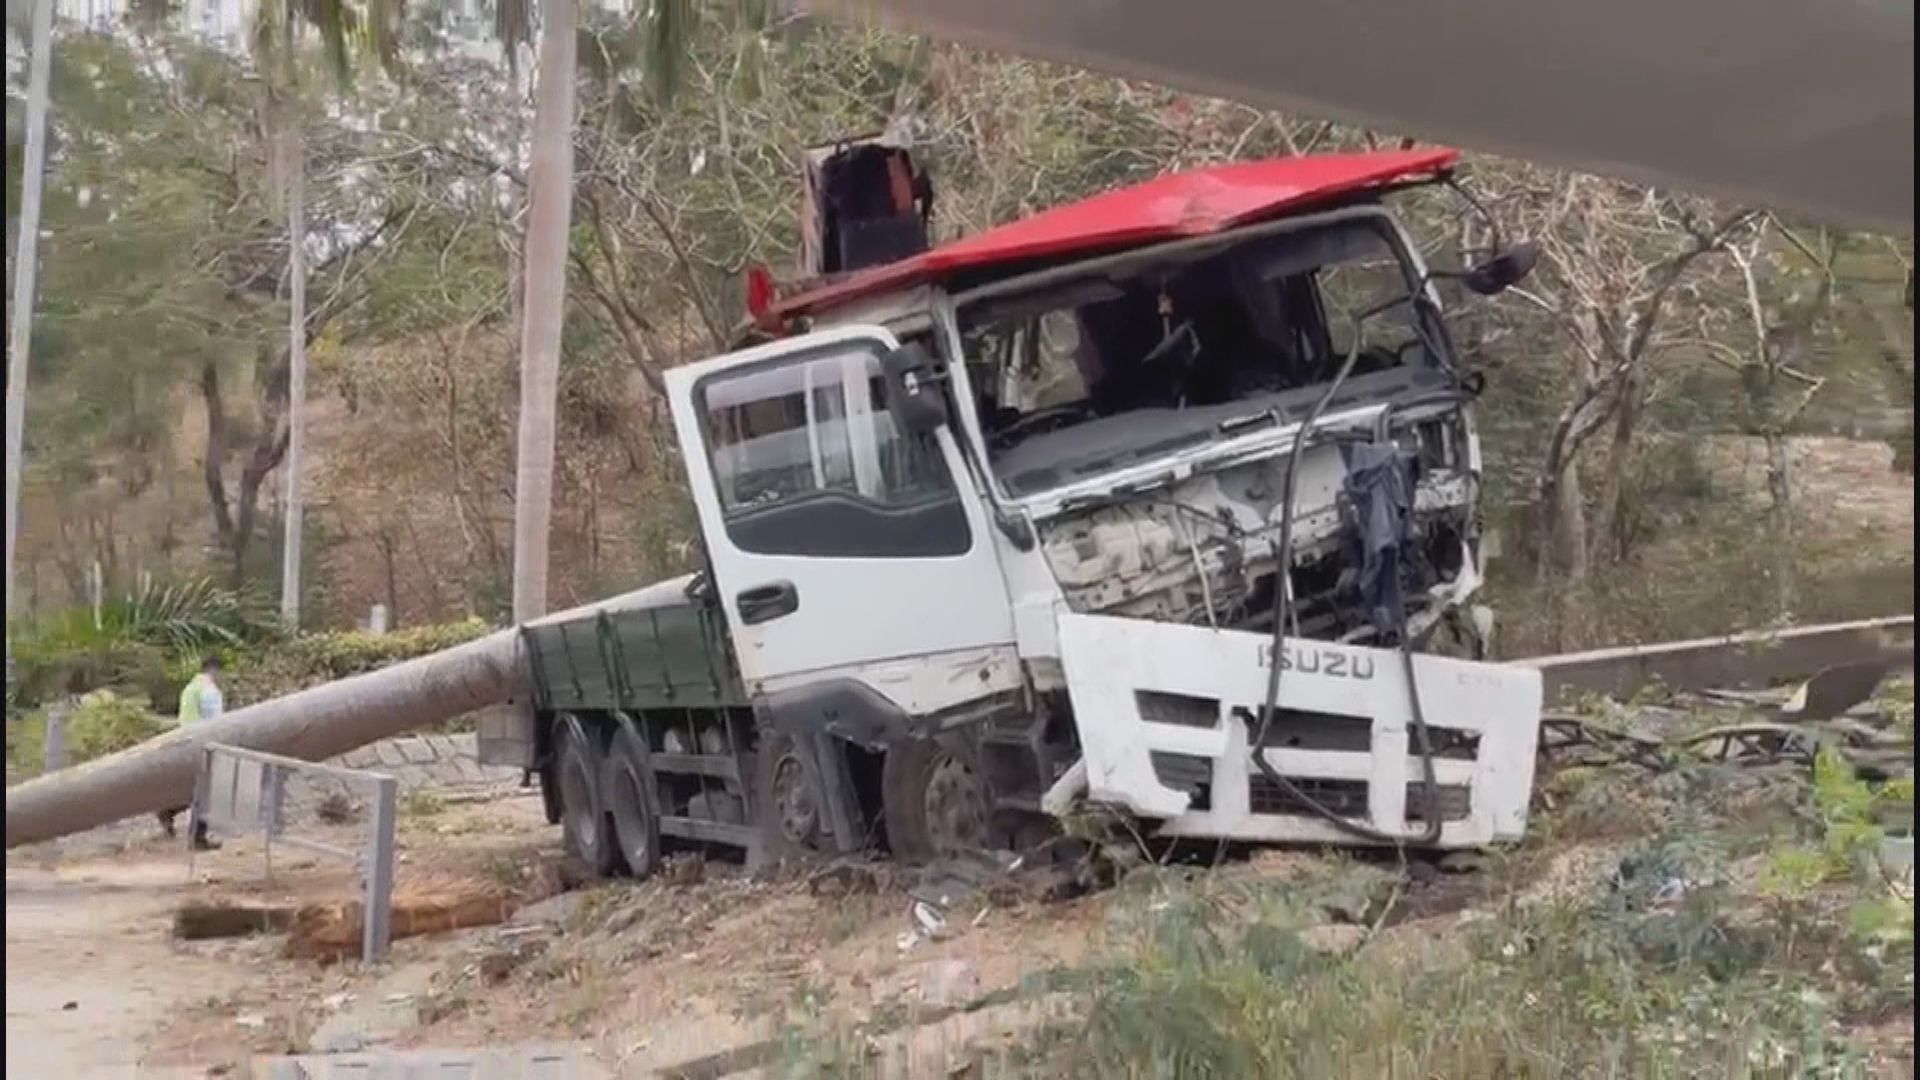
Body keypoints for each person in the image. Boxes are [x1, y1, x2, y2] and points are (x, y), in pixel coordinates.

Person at [156, 655, 224, 850]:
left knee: (197, 788)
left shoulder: (190, 688)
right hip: (205, 743)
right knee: (207, 791)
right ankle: (197, 837)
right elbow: (217, 722)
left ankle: (169, 811)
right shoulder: (209, 690)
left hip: (186, 742)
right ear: (214, 670)